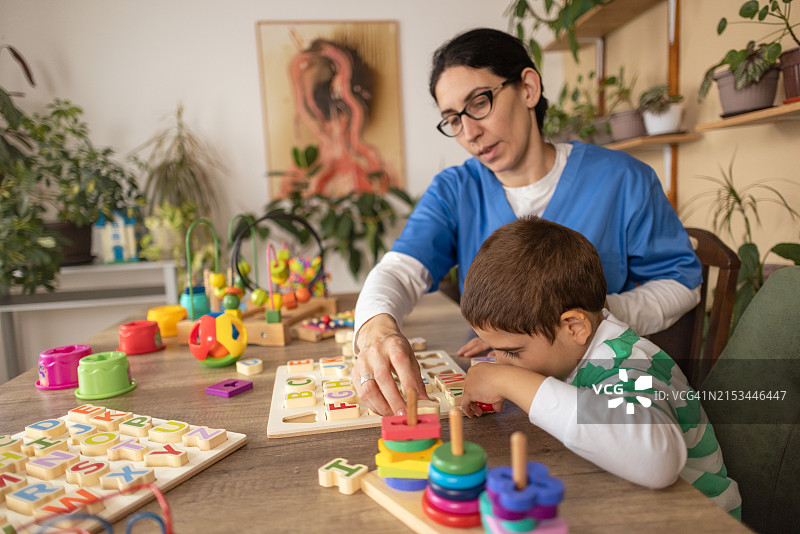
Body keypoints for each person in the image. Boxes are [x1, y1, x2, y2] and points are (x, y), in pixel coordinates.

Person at [351, 27, 701, 417]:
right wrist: (376, 332)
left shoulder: (622, 179)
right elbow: (399, 271)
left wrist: (590, 316)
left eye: (480, 102)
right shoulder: (455, 189)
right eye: (453, 119)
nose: (470, 133)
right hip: (494, 398)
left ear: (529, 88)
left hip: (600, 399)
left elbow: (682, 283)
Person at [459, 215, 741, 517]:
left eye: (512, 352)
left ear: (574, 328)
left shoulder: (632, 366)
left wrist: (509, 381)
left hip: (699, 518)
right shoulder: (576, 350)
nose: (502, 364)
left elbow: (658, 461)